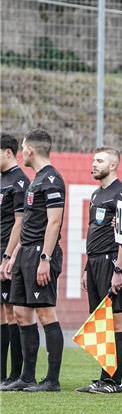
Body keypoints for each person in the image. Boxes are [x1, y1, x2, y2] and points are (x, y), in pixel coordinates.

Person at [5, 129, 65, 392]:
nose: (22, 153)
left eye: (24, 148)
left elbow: (54, 222)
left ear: (30, 150)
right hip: (25, 253)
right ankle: (26, 377)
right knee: (19, 312)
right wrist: (14, 254)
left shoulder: (52, 179)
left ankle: (52, 380)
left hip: (41, 253)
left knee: (45, 313)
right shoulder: (36, 179)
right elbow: (27, 222)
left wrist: (45, 258)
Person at [76, 147, 122, 394]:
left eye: (99, 160)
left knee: (118, 320)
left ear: (113, 165)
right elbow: (94, 233)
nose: (94, 164)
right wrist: (88, 268)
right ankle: (103, 378)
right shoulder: (97, 194)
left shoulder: (121, 193)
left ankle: (114, 381)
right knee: (102, 323)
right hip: (96, 262)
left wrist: (119, 269)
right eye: (93, 160)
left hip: (112, 262)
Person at [0, 134, 29, 389]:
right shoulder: (2, 180)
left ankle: (16, 374)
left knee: (12, 312)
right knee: (2, 312)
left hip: (7, 254)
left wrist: (8, 256)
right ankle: (3, 374)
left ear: (8, 152)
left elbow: (20, 223)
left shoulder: (19, 180)